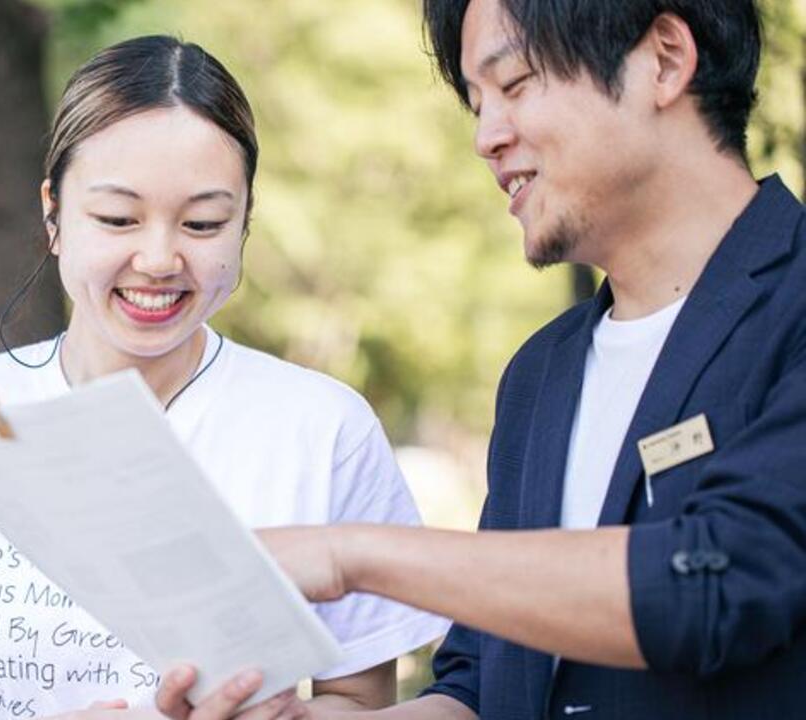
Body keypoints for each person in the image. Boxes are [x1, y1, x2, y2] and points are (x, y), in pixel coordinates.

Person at [156, 1, 806, 719]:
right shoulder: (542, 374)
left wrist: (350, 556)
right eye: (476, 103)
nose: (486, 138)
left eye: (516, 82)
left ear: (664, 59)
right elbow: (477, 686)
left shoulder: (792, 307)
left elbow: (725, 579)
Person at [0, 35, 448, 720]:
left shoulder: (324, 429)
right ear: (53, 214)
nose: (159, 259)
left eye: (202, 222)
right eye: (117, 218)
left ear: (245, 223)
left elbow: (359, 701)